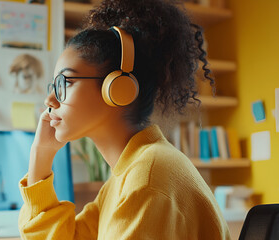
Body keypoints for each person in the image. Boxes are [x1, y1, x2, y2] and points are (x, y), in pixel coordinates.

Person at [18, 0, 230, 239]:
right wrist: (40, 156)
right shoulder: (126, 176)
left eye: (64, 83)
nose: (50, 99)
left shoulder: (148, 177)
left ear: (118, 88)